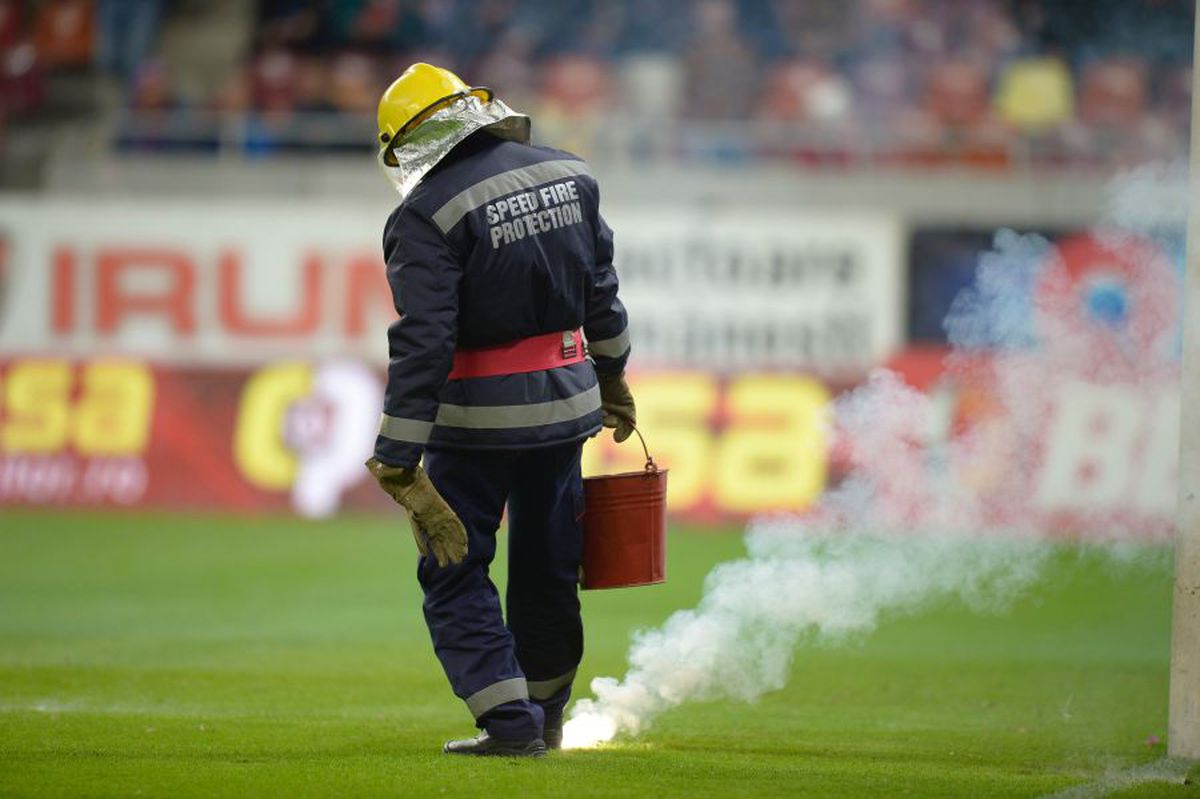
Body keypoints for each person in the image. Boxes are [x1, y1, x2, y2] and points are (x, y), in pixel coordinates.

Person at [364, 63, 636, 758]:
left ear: (412, 144)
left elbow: (424, 342)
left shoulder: (424, 214)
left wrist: (397, 455)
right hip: (567, 408)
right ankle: (545, 716)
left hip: (477, 425)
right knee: (549, 567)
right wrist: (614, 375)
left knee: (453, 566)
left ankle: (507, 722)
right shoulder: (570, 174)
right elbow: (600, 289)